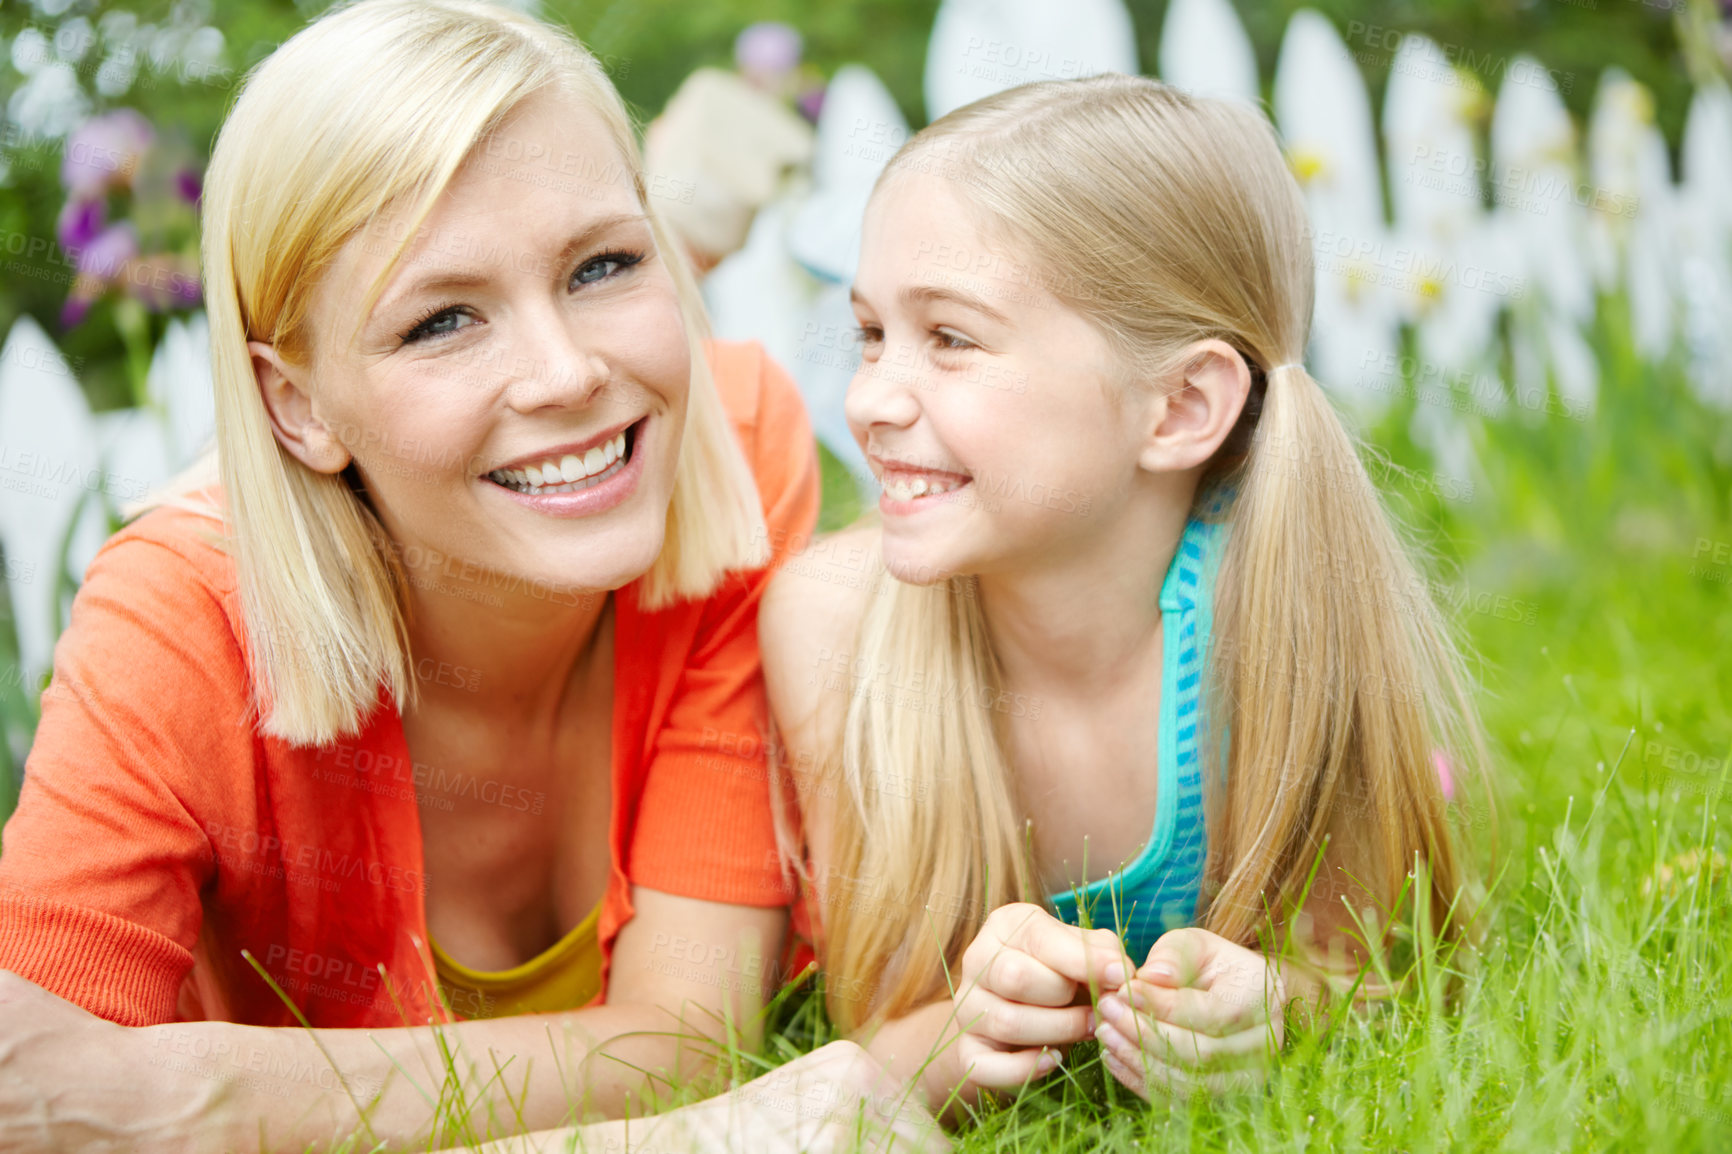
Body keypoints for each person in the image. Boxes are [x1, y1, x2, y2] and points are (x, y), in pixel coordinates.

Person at [0, 3, 944, 1150]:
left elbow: (690, 1037)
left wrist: (203, 1093)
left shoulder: (731, 445)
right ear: (295, 406)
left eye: (603, 264)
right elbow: (39, 1088)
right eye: (443, 319)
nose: (566, 372)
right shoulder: (181, 616)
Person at [760, 73, 1491, 1113]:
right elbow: (874, 1021)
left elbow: (1375, 971)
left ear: (1180, 406)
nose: (868, 397)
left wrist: (1276, 1006)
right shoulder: (834, 622)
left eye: (951, 339)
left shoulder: (1278, 612)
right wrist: (967, 1029)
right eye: (873, 333)